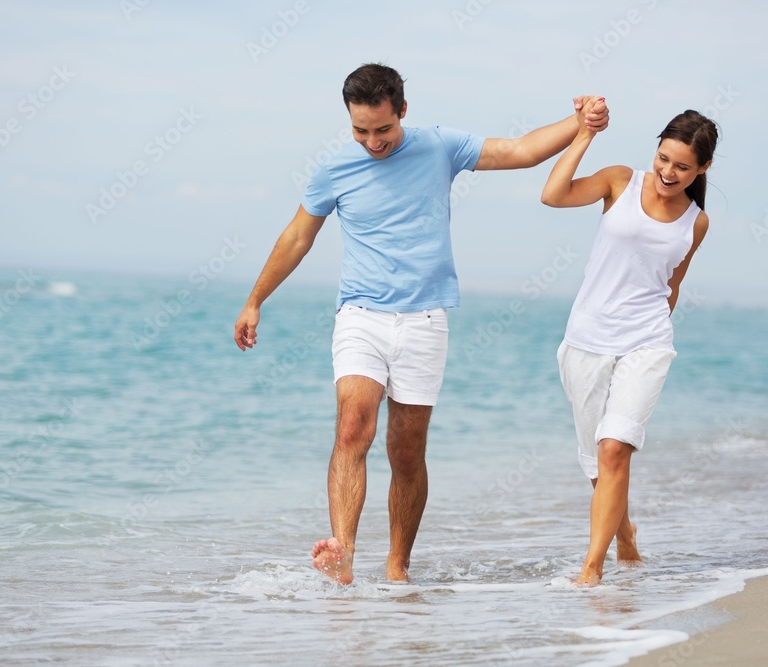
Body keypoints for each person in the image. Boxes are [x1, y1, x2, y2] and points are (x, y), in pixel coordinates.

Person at [234, 63, 609, 584]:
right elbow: (299, 236)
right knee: (352, 428)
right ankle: (342, 556)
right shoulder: (334, 168)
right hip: (361, 314)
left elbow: (519, 151)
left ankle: (397, 568)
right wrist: (256, 300)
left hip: (425, 320)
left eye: (383, 129)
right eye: (361, 130)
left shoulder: (439, 147)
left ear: (402, 111)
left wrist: (580, 123)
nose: (373, 141)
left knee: (407, 452)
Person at [540, 103, 718, 586]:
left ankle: (591, 570)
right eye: (664, 158)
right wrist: (584, 134)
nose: (668, 172)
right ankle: (625, 536)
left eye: (682, 166)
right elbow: (553, 195)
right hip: (586, 340)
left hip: (646, 343)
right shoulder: (620, 181)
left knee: (615, 450)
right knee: (598, 467)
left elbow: (671, 286)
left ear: (703, 168)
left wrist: (649, 332)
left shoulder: (695, 223)